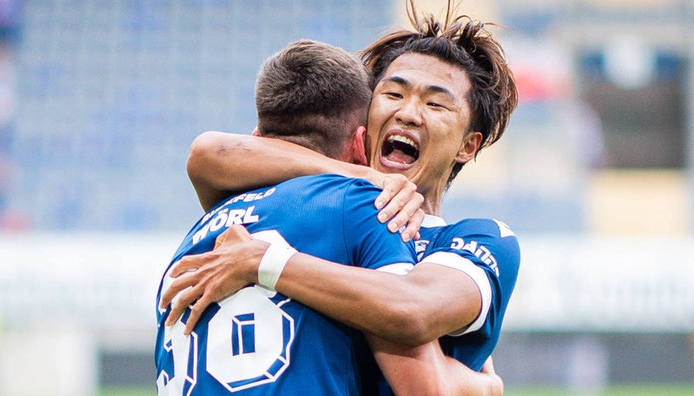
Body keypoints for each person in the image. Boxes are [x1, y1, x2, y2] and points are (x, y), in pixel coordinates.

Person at [161, 1, 520, 393]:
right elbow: (207, 154)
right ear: (365, 120)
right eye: (393, 94)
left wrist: (264, 261)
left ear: (468, 146)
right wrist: (483, 388)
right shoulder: (346, 208)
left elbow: (414, 308)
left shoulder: (480, 240)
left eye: (435, 103)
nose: (409, 114)